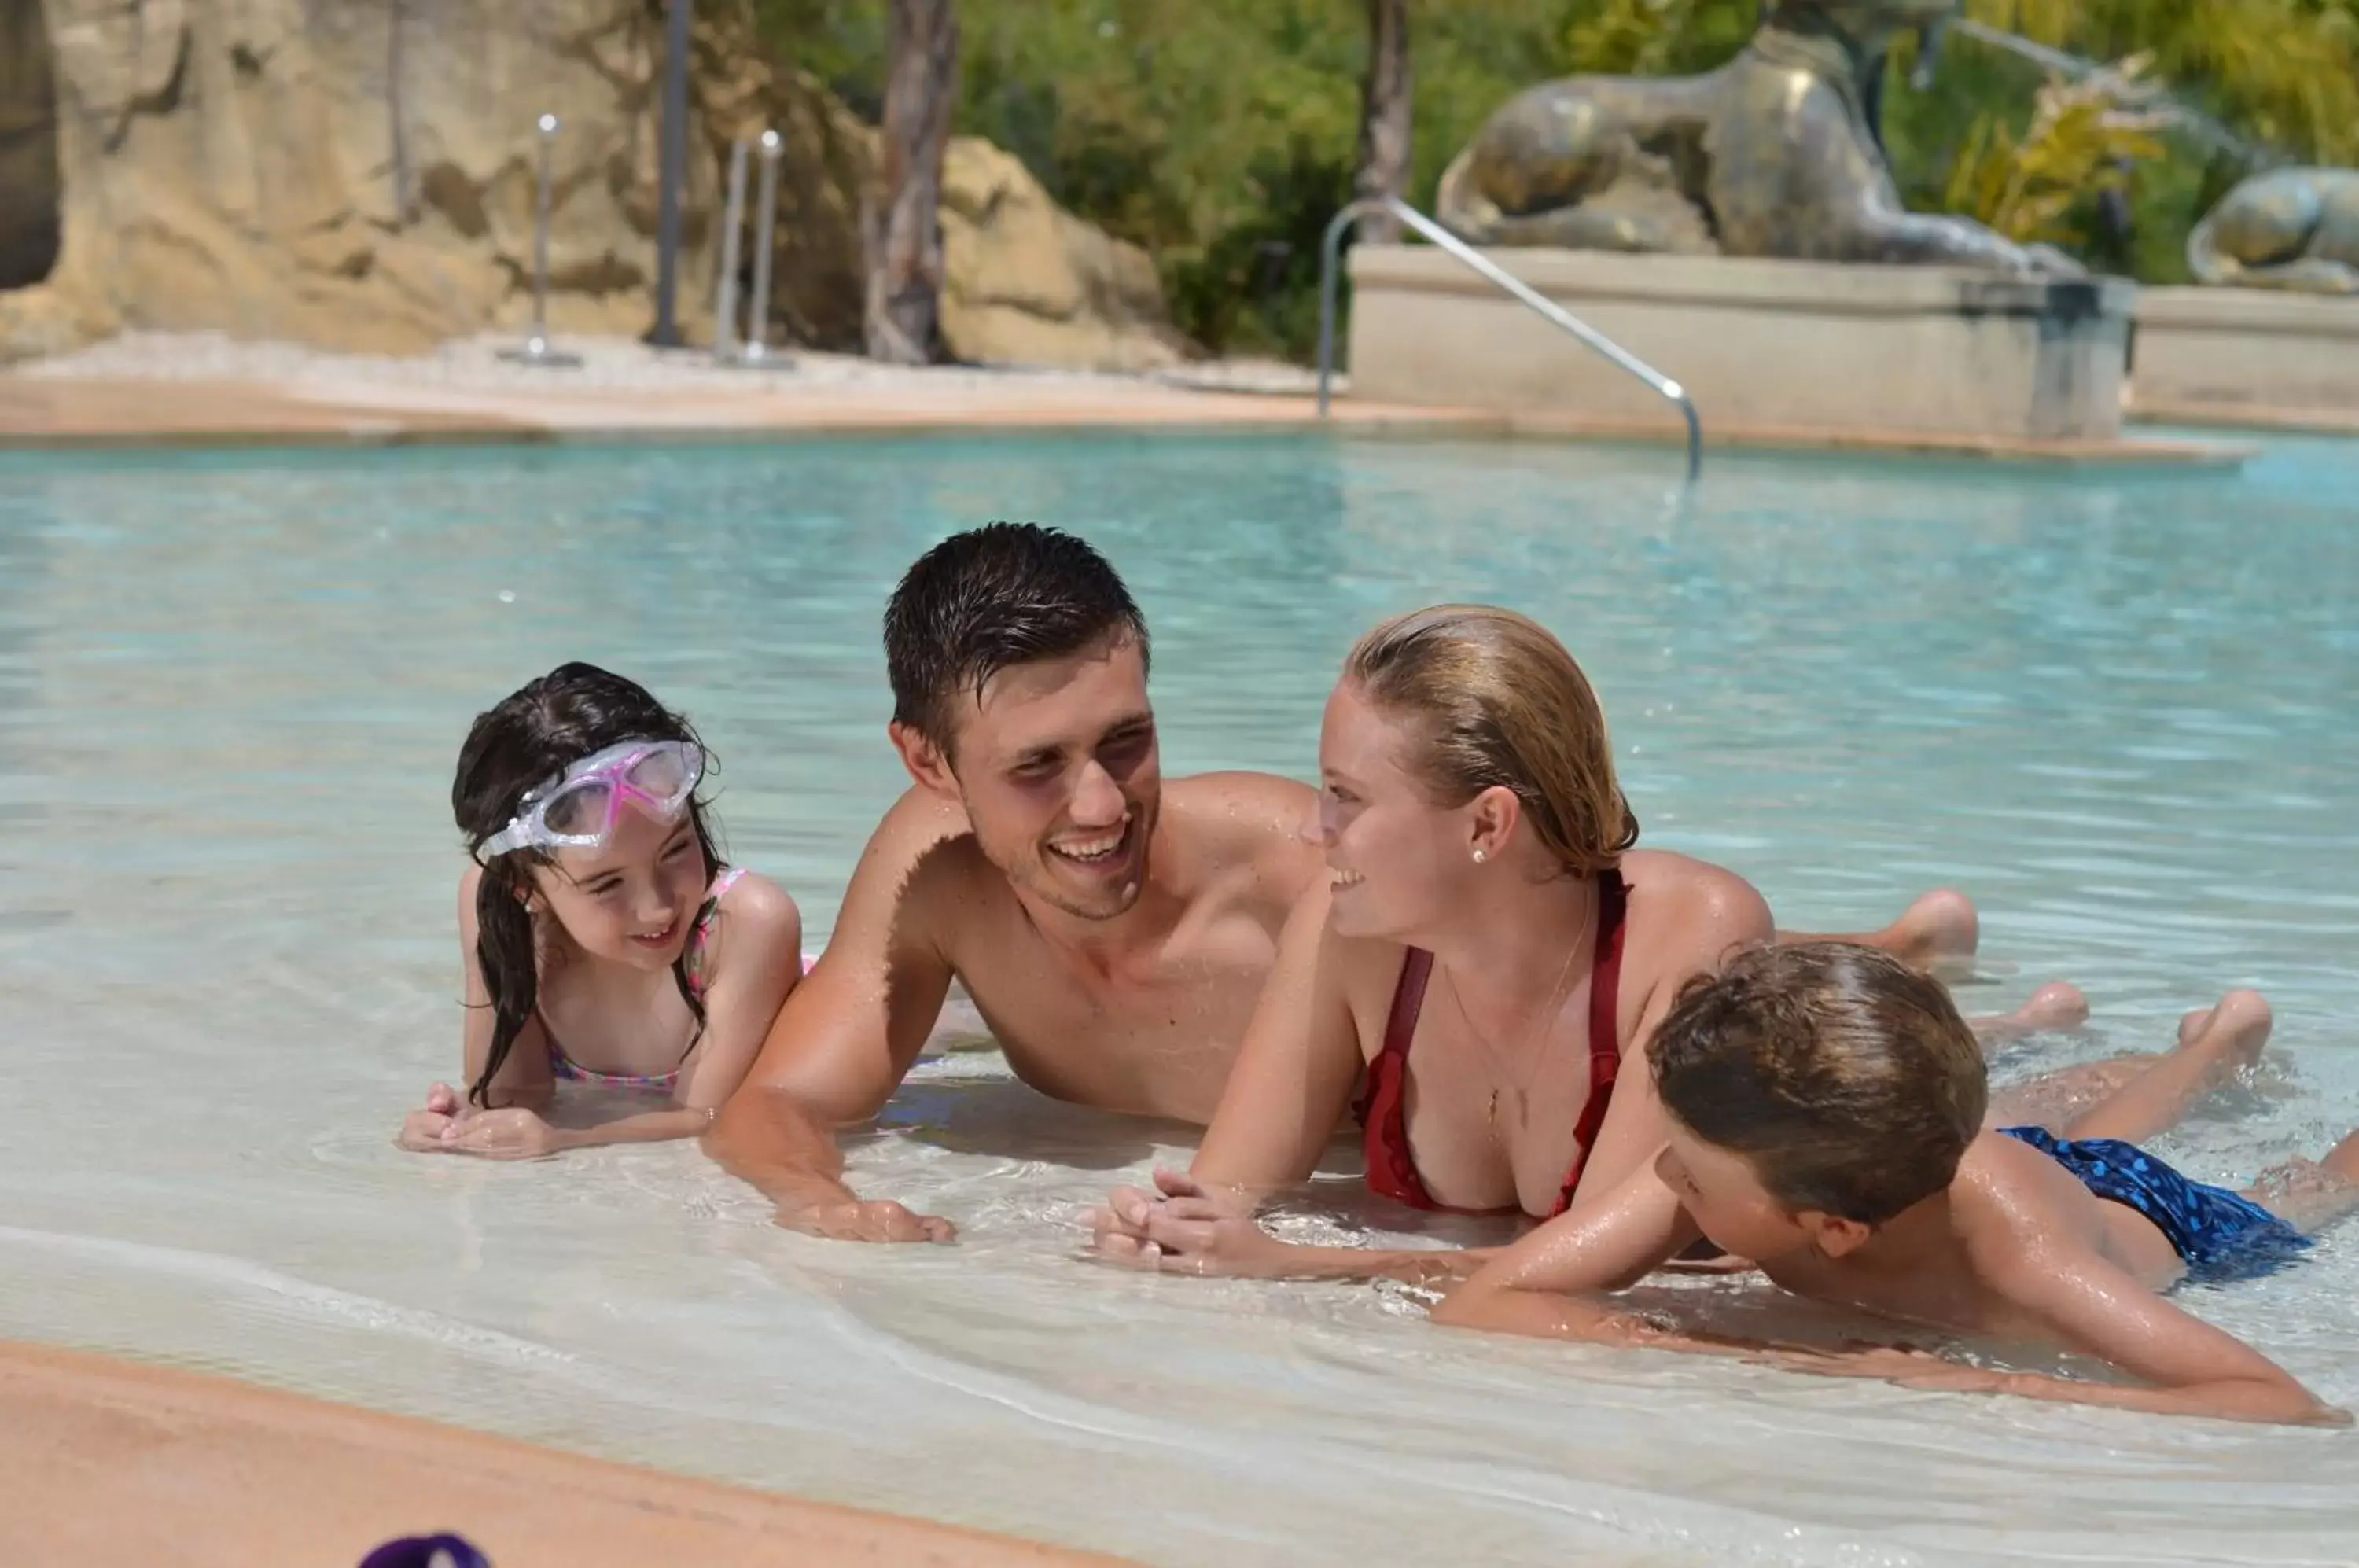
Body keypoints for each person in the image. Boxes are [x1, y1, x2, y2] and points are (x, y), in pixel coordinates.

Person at [707, 526, 2004, 1241]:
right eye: (1038, 767)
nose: (1100, 804)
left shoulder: (1304, 872)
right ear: (929, 762)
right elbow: (775, 1106)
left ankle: (1896, 946)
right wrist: (819, 1206)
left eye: (1128, 740)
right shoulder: (935, 879)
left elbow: (1543, 923)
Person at [1087, 608, 2126, 1280]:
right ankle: (1991, 1000)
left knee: (2043, 1127)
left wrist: (1287, 1266)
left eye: (1347, 798)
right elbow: (1226, 1193)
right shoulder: (1351, 928)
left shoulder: (1689, 933)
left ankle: (2183, 1048)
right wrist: (1164, 1236)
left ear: (1488, 825)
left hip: (1872, 1154)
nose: (1316, 831)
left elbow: (1586, 1267)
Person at [1433, 944, 2356, 1426]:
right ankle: (2207, 1048)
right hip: (1976, 1153)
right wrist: (1724, 1349)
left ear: (1831, 1228)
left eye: (1690, 1167)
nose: (1662, 1172)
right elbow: (1490, 1298)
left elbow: (2272, 1397)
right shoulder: (1731, 1149)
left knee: (2294, 1195)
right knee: (2078, 1136)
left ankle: (2232, 1068)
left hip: (2149, 1216)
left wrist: (1977, 1382)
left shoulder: (2024, 1265)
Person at [397, 664, 804, 1158]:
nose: (656, 909)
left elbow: (709, 1117)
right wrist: (462, 1127)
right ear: (526, 887)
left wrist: (568, 1140)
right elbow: (513, 1094)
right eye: (607, 883)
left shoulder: (746, 923)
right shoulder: (497, 907)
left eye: (675, 850)